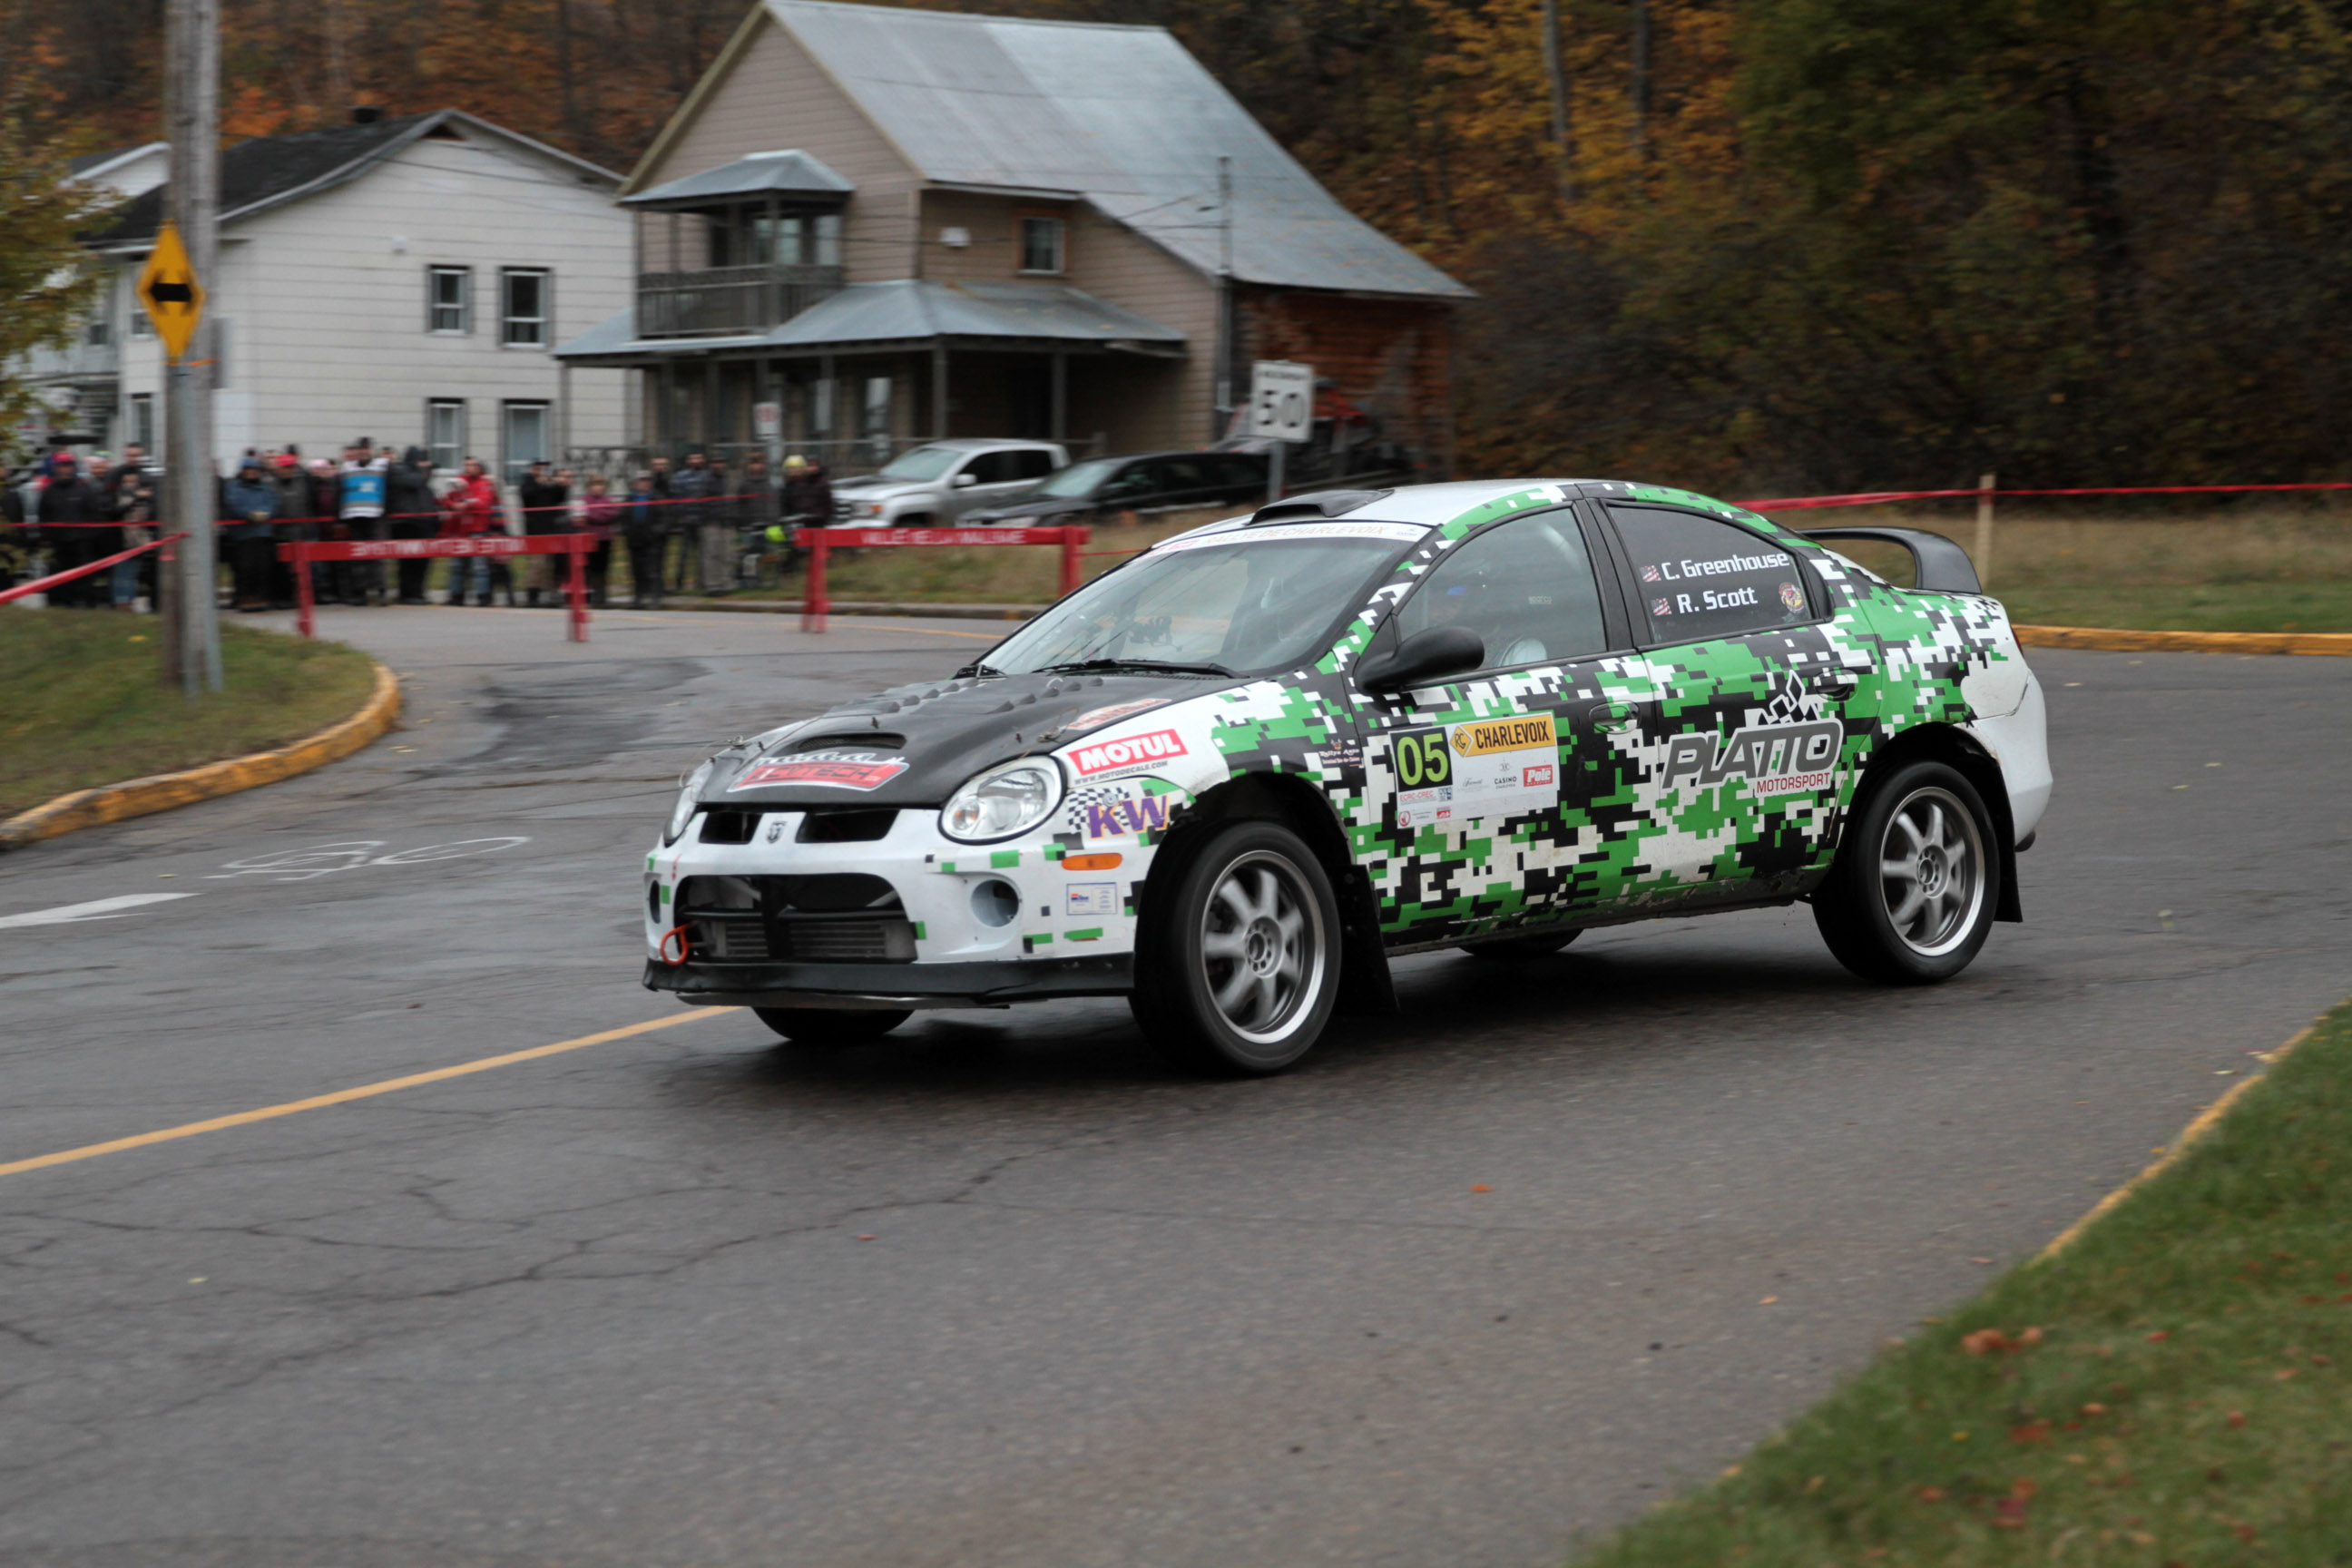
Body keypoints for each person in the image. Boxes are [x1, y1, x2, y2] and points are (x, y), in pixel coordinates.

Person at [438, 457, 500, 604]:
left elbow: (484, 503)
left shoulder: (484, 484)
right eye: (466, 465)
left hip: (477, 529)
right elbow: (445, 500)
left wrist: (465, 505)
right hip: (459, 530)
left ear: (479, 467)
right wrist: (453, 505)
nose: (468, 467)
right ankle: (456, 595)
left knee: (479, 566)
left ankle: (483, 597)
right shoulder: (458, 482)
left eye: (472, 465)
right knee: (456, 565)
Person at [222, 457, 279, 612]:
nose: (251, 473)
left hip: (263, 533)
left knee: (264, 568)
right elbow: (232, 504)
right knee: (245, 568)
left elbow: (273, 503)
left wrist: (266, 514)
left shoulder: (266, 487)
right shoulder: (234, 486)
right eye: (248, 470)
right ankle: (244, 598)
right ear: (243, 471)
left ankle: (262, 598)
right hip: (243, 535)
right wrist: (248, 515)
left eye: (254, 470)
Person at [340, 439, 389, 605]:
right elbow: (341, 491)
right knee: (358, 556)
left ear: (370, 450)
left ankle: (380, 590)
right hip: (354, 516)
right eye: (360, 449)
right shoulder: (348, 467)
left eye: (365, 449)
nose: (362, 453)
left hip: (375, 515)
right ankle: (361, 592)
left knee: (377, 555)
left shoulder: (381, 466)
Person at [386, 446, 437, 603]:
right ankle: (407, 594)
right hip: (407, 524)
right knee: (409, 562)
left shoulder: (420, 480)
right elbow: (413, 482)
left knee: (422, 563)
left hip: (424, 524)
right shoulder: (399, 470)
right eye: (423, 461)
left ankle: (418, 592)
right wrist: (423, 470)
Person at [518, 459, 568, 607]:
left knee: (552, 564)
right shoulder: (528, 484)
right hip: (536, 531)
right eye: (539, 469)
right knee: (537, 564)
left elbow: (560, 497)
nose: (543, 472)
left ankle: (552, 595)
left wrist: (558, 483)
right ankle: (532, 596)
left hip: (552, 529)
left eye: (545, 469)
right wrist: (538, 483)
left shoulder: (550, 486)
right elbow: (526, 496)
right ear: (533, 470)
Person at [667, 450, 714, 594]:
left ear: (703, 459)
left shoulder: (708, 476)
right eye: (693, 458)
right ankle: (679, 583)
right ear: (688, 460)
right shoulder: (680, 477)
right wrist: (681, 516)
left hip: (702, 522)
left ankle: (702, 582)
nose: (696, 460)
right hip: (687, 521)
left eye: (698, 457)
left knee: (703, 554)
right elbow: (675, 499)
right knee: (683, 554)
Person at [622, 471, 664, 607]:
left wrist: (656, 531)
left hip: (652, 540)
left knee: (653, 569)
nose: (644, 483)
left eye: (647, 480)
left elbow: (665, 518)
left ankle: (655, 598)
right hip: (635, 540)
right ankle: (638, 597)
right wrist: (625, 530)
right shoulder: (630, 498)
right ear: (636, 483)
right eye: (641, 480)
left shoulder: (657, 497)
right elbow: (622, 516)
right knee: (637, 570)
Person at [578, 474, 620, 606]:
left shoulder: (608, 500)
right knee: (588, 568)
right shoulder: (583, 500)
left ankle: (601, 596)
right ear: (589, 487)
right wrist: (599, 515)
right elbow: (579, 520)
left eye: (600, 485)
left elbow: (612, 515)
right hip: (588, 539)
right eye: (594, 485)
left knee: (602, 569)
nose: (597, 488)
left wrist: (593, 516)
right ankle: (588, 596)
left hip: (604, 538)